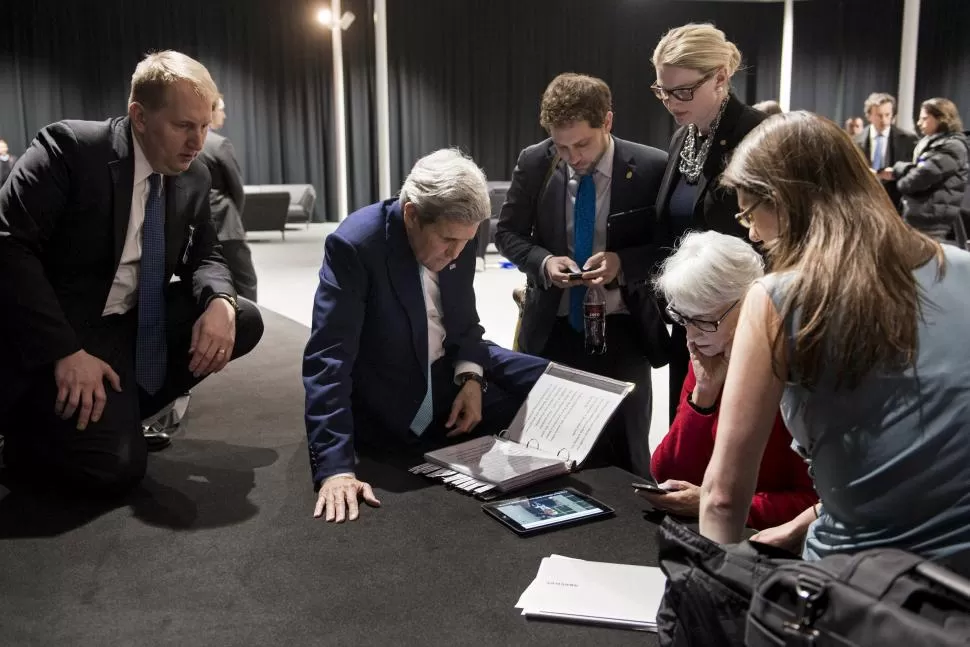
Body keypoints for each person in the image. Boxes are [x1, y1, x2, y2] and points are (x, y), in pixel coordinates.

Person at [698, 111, 970, 572]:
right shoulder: (962, 267)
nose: (750, 230)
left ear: (785, 202)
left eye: (748, 212)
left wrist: (706, 597)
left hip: (857, 592)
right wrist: (810, 517)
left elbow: (723, 499)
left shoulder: (778, 298)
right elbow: (916, 453)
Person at [0, 50, 264, 495]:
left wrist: (221, 300)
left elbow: (207, 254)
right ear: (139, 117)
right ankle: (25, 437)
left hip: (129, 325)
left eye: (204, 125)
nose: (198, 141)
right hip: (58, 331)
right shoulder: (70, 149)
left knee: (245, 319)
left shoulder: (194, 175)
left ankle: (118, 412)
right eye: (184, 125)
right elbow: (9, 246)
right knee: (117, 469)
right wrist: (64, 350)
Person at [304, 148, 549, 523]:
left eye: (466, 242)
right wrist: (336, 469)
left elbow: (465, 321)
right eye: (448, 241)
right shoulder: (356, 245)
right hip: (391, 377)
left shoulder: (459, 236)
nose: (456, 255)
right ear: (412, 215)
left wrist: (471, 377)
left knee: (561, 384)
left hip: (449, 362)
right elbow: (329, 358)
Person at [494, 73, 669, 477]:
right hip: (553, 326)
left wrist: (623, 262)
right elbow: (506, 233)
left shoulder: (650, 166)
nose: (572, 156)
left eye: (582, 144)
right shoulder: (535, 161)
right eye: (562, 145)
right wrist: (543, 262)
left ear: (607, 122)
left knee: (628, 451)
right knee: (550, 449)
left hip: (624, 328)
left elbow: (672, 246)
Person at [637, 231, 816, 530]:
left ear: (750, 301)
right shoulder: (710, 356)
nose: (691, 336)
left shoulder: (796, 368)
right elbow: (666, 471)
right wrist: (704, 394)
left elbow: (816, 502)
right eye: (683, 320)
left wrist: (716, 501)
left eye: (704, 320)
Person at [650, 23, 767, 424]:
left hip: (736, 326)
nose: (669, 101)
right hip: (690, 323)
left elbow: (772, 242)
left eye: (683, 91)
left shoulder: (756, 137)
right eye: (663, 90)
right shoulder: (683, 139)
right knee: (686, 437)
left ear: (720, 78)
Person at [879, 97, 969, 243]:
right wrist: (902, 170)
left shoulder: (952, 146)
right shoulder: (935, 144)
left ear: (941, 118)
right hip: (921, 220)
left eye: (924, 118)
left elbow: (919, 177)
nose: (919, 123)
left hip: (932, 224)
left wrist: (900, 176)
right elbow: (922, 168)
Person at [200, 95, 258, 301]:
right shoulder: (219, 144)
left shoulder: (180, 144)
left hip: (195, 226)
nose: (224, 115)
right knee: (245, 280)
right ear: (210, 111)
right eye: (221, 110)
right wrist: (236, 219)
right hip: (225, 224)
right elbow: (237, 189)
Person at [855, 92, 918, 212]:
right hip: (865, 201)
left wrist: (896, 173)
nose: (884, 120)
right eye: (879, 115)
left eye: (887, 115)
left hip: (896, 203)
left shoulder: (909, 140)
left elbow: (915, 170)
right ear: (869, 116)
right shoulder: (854, 141)